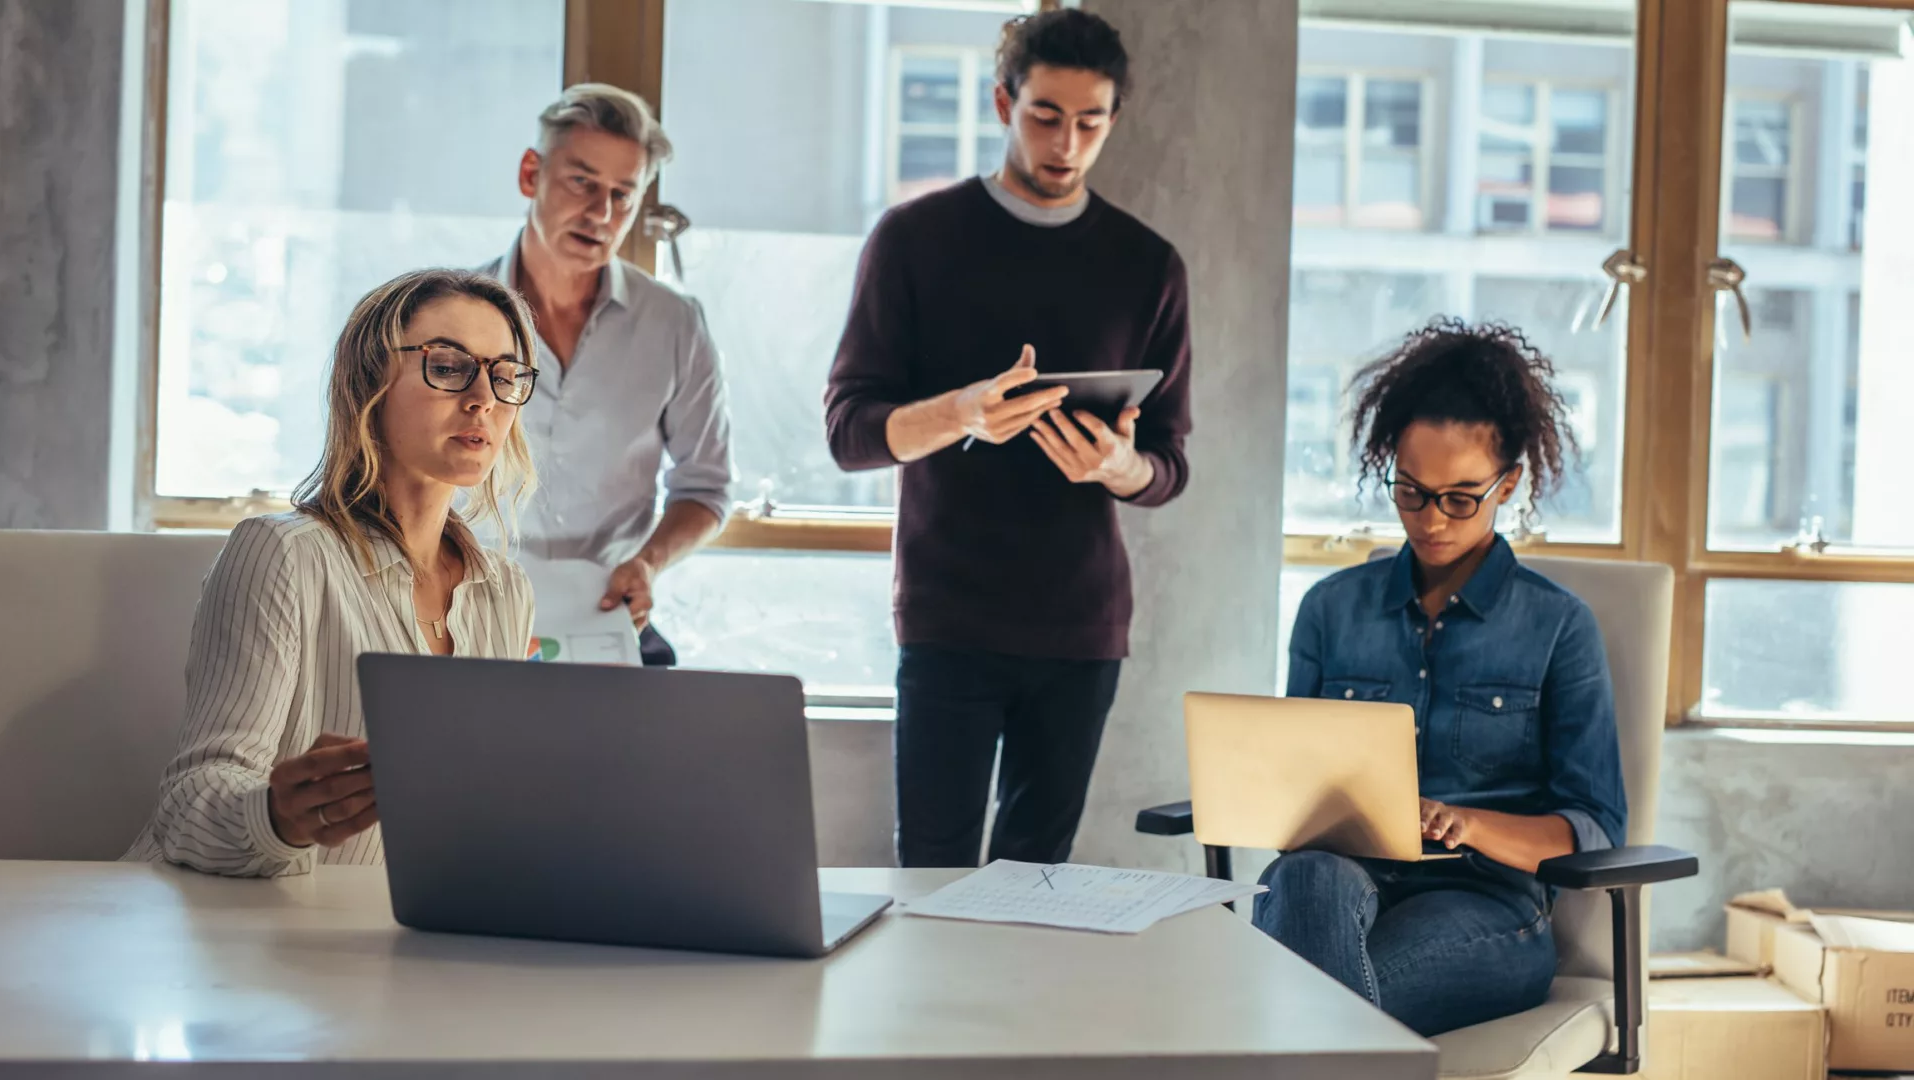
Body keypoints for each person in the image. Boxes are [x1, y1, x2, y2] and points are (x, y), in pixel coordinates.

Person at [825, 11, 1193, 869]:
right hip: (949, 614)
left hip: (1082, 623)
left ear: (1111, 120)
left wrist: (1119, 466)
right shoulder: (913, 240)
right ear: (1002, 103)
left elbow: (1170, 461)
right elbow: (849, 432)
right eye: (1045, 115)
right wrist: (961, 413)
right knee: (933, 875)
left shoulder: (1148, 266)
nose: (1067, 142)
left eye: (1090, 122)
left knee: (1037, 886)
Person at [1254, 318, 1627, 1037]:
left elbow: (1594, 827)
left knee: (1312, 1001)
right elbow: (1290, 794)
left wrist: (1472, 824)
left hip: (1487, 907)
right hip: (1341, 882)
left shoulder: (1559, 628)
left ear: (1508, 483)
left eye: (1461, 497)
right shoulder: (1329, 610)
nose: (1432, 519)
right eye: (1411, 492)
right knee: (1303, 878)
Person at [124, 269, 540, 877]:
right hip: (227, 930)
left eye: (504, 375)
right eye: (448, 366)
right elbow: (189, 807)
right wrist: (277, 818)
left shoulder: (505, 591)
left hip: (386, 938)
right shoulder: (281, 552)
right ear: (370, 382)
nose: (483, 397)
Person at [480, 83, 734, 666]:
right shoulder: (454, 318)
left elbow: (706, 487)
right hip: (469, 619)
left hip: (609, 623)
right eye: (582, 182)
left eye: (623, 195)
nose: (601, 213)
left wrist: (647, 562)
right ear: (530, 174)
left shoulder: (675, 323)